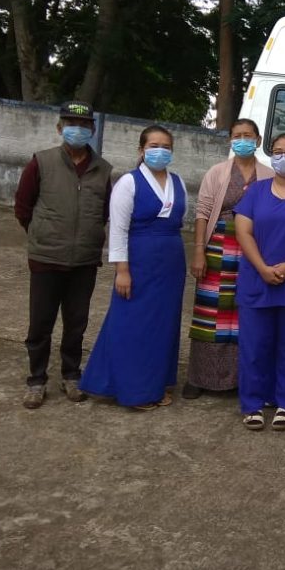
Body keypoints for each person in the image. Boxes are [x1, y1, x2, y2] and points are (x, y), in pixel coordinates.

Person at [80, 126, 188, 409]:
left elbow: (179, 220)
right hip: (138, 262)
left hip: (170, 264)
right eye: (153, 145)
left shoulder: (178, 183)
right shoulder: (129, 182)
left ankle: (157, 382)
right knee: (133, 324)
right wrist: (122, 270)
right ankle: (135, 390)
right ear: (141, 150)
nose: (160, 150)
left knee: (163, 325)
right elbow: (118, 229)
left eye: (166, 145)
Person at [14, 100, 113, 409]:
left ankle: (71, 375)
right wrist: (44, 235)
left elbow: (105, 212)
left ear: (93, 130)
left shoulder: (103, 170)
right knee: (40, 323)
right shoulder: (41, 162)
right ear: (59, 128)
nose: (78, 130)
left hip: (84, 260)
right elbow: (23, 207)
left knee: (76, 323)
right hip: (46, 259)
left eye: (84, 126)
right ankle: (37, 380)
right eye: (71, 125)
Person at [183, 119, 274, 400]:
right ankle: (201, 377)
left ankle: (239, 378)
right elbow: (203, 211)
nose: (242, 139)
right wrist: (199, 250)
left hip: (254, 249)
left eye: (248, 135)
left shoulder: (269, 174)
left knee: (245, 311)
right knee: (211, 313)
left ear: (258, 141)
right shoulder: (217, 172)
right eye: (237, 135)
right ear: (230, 140)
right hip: (218, 247)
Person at [234, 131, 285, 431]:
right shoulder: (256, 191)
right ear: (271, 153)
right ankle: (253, 404)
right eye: (279, 151)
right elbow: (243, 230)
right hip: (257, 281)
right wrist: (262, 267)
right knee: (255, 346)